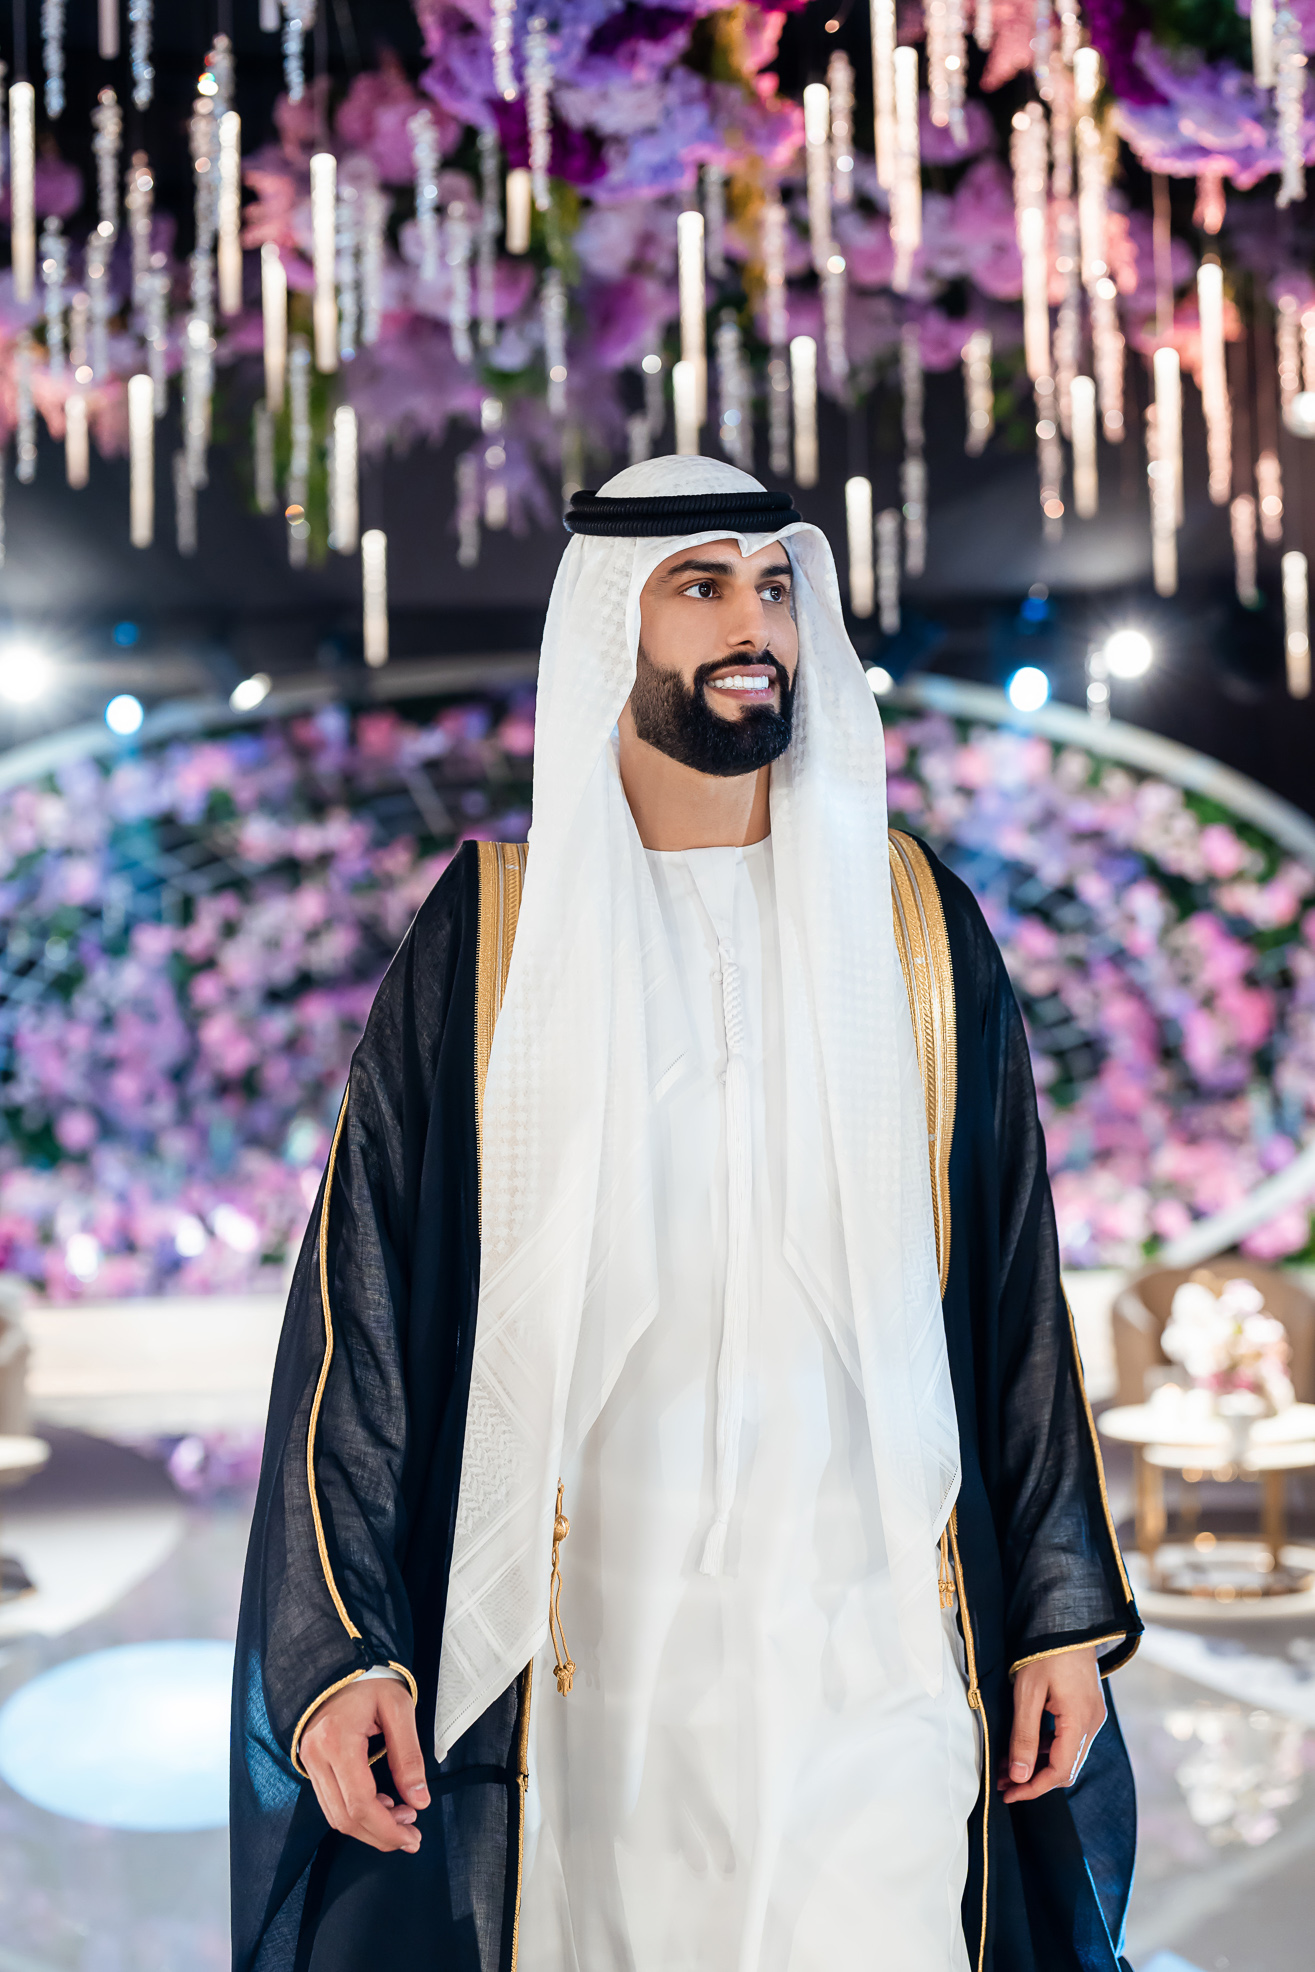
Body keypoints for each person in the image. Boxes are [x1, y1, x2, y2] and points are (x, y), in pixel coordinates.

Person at [231, 456, 1140, 1972]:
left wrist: (1055, 1607)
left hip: (875, 1627)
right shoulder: (492, 937)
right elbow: (358, 1305)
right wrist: (342, 1648)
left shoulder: (913, 926)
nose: (752, 626)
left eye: (774, 587)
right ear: (611, 624)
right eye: (701, 587)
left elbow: (1012, 1289)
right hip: (592, 1652)